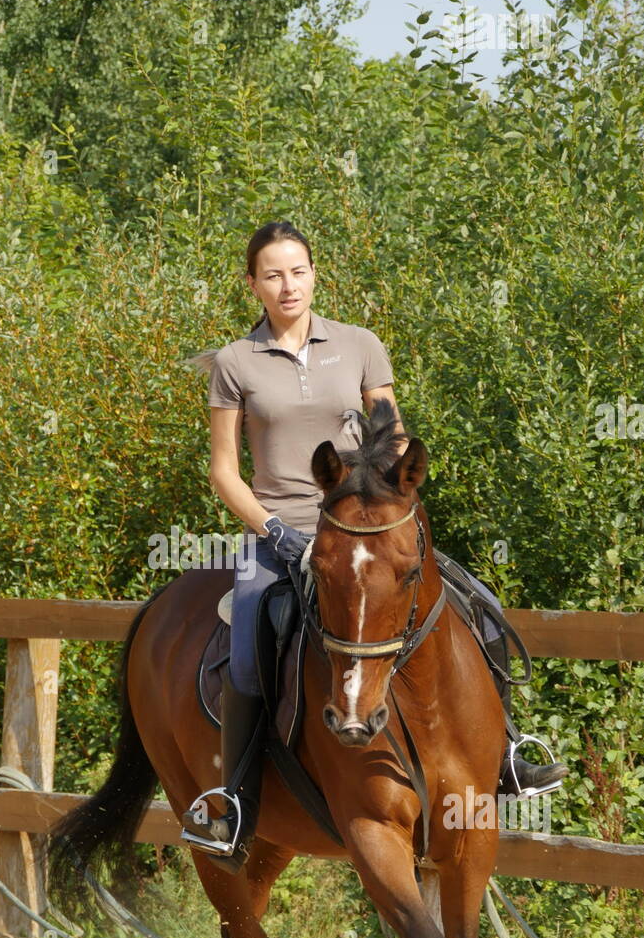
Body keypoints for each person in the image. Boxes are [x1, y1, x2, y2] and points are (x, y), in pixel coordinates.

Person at [180, 220, 567, 875]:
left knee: (479, 601)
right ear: (252, 285)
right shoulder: (234, 364)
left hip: (364, 525)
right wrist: (274, 530)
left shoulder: (358, 346)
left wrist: (388, 497)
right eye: (271, 274)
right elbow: (223, 471)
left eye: (297, 270)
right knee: (247, 637)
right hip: (281, 534)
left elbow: (389, 432)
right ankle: (235, 800)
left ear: (313, 274)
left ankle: (505, 754)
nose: (287, 284)